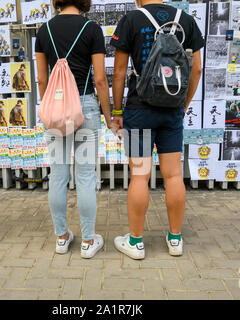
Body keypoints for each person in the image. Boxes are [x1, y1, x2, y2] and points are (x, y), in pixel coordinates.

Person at [110, 0, 204, 259]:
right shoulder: (185, 19)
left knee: (139, 176)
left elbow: (119, 72)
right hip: (172, 108)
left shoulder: (132, 19)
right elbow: (196, 69)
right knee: (173, 176)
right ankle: (175, 240)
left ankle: (136, 243)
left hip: (140, 109)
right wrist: (182, 105)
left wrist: (117, 112)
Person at [35, 0, 112, 258]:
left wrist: (50, 110)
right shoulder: (92, 29)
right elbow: (100, 79)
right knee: (86, 176)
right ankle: (89, 242)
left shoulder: (43, 30)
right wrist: (109, 114)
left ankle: (61, 237)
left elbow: (42, 79)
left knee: (57, 175)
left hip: (56, 108)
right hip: (86, 107)